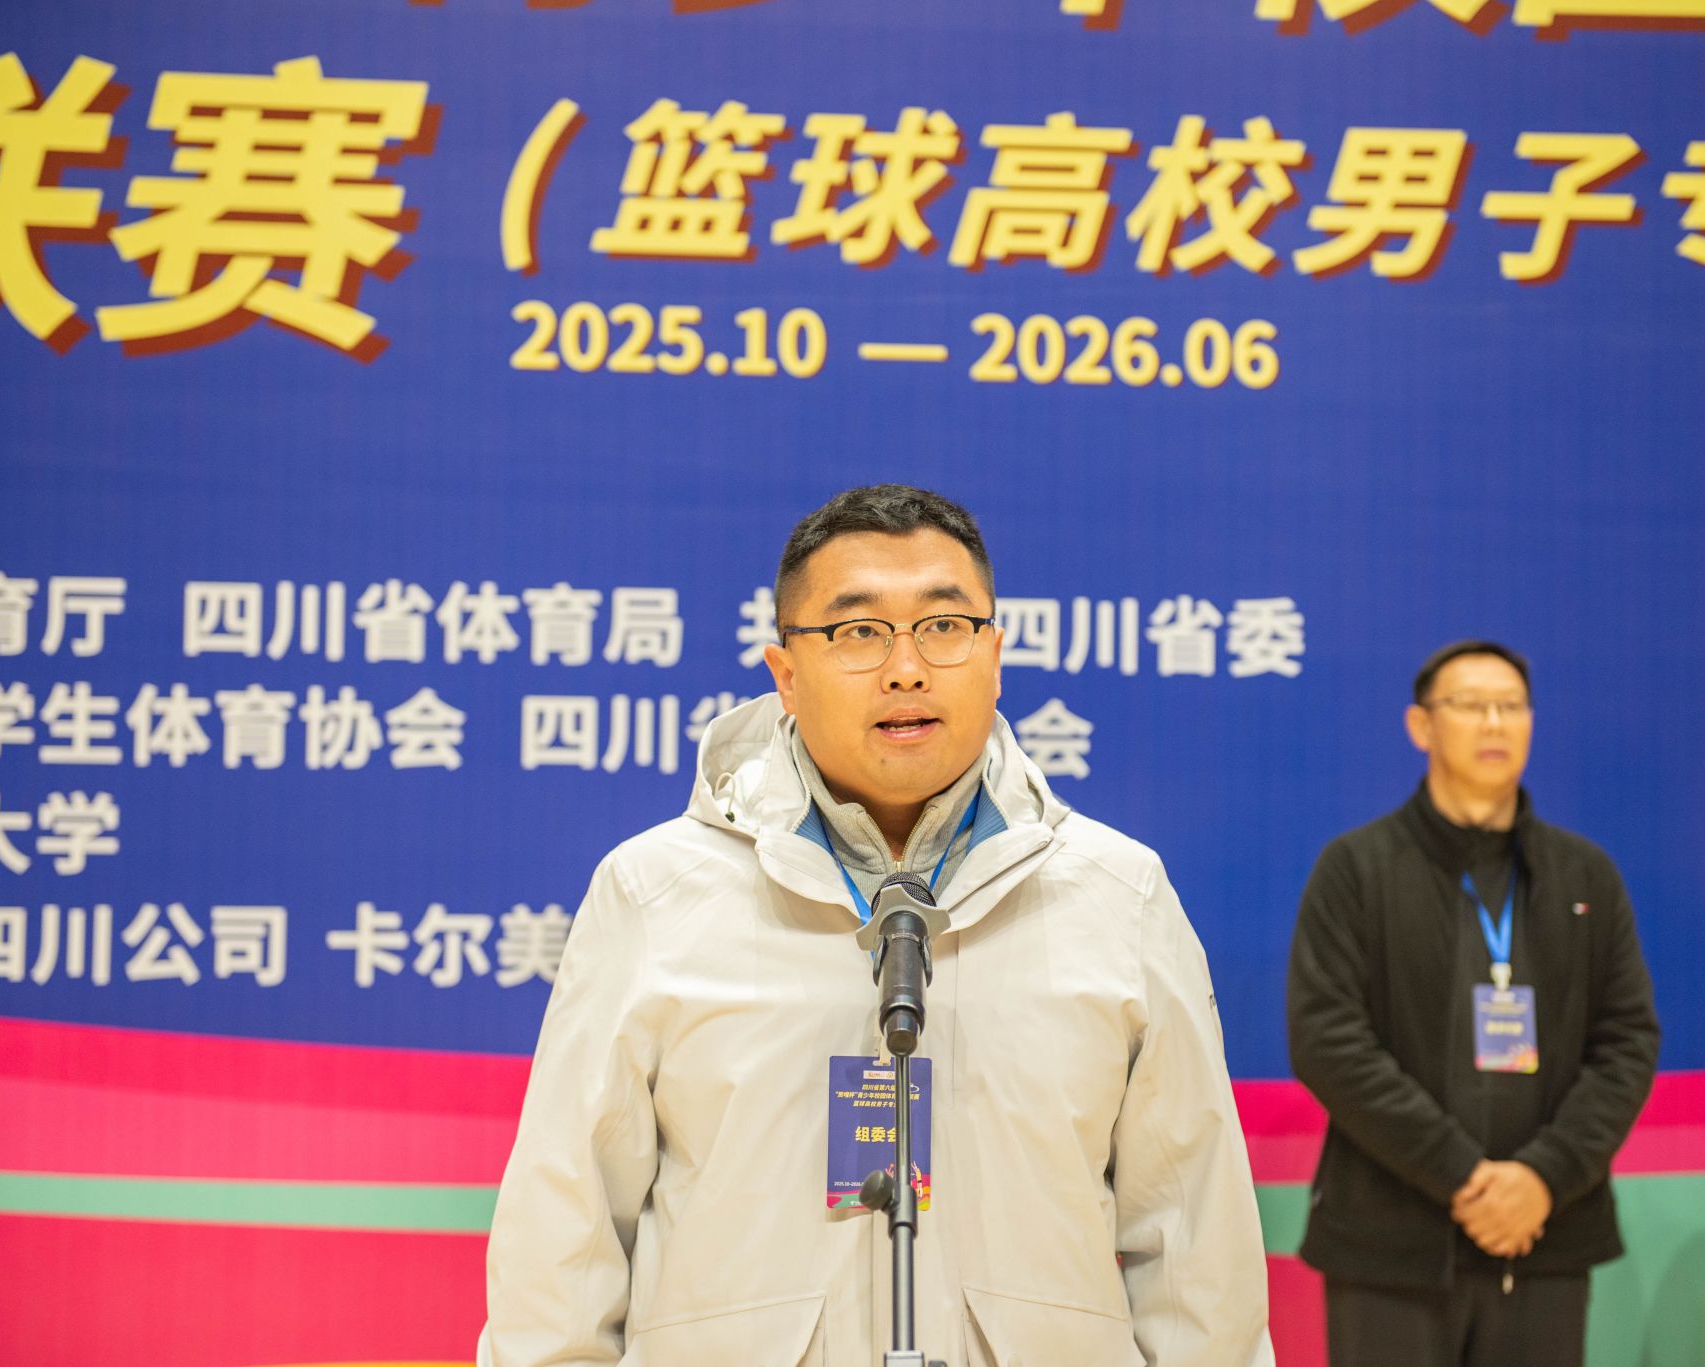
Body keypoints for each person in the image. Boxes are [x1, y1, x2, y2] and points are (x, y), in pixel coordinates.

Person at [480, 485, 1271, 1366]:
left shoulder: (1117, 894)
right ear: (786, 673)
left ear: (994, 654)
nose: (906, 668)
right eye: (859, 631)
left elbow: (1197, 1249)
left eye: (944, 626)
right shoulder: (655, 891)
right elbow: (565, 1233)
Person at [1286, 640, 1660, 1367]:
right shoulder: (1357, 868)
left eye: (1511, 706)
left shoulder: (1585, 876)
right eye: (1470, 705)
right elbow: (1327, 1040)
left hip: (1544, 1236)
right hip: (1388, 1246)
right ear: (1420, 726)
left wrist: (1542, 1176)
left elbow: (1627, 1042)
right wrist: (1464, 1176)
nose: (1495, 723)